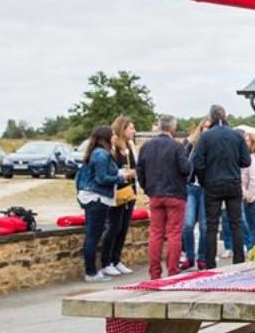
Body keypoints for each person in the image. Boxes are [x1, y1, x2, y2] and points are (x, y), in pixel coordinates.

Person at [193, 105, 251, 267]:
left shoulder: (205, 137)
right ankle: (239, 261)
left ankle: (210, 263)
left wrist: (204, 180)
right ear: (225, 116)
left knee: (212, 225)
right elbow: (246, 161)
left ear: (210, 118)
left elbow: (197, 162)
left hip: (212, 183)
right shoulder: (236, 136)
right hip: (232, 182)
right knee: (236, 223)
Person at [134, 114, 191, 280]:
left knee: (156, 233)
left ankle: (154, 272)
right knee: (174, 233)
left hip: (155, 194)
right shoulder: (177, 147)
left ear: (159, 126)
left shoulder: (146, 147)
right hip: (175, 193)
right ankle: (173, 270)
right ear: (172, 128)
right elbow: (185, 168)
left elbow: (140, 170)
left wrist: (147, 188)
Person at [75, 126, 130, 282]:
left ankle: (92, 270)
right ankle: (91, 272)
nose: (114, 137)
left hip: (92, 197)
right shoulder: (102, 154)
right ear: (106, 137)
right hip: (97, 198)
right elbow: (102, 178)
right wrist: (121, 178)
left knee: (93, 234)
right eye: (112, 135)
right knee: (93, 235)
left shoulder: (97, 153)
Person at [100, 116, 138, 277]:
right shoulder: (113, 148)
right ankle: (106, 261)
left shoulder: (130, 145)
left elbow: (135, 166)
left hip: (129, 190)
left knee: (123, 227)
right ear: (122, 130)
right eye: (131, 128)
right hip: (117, 191)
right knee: (114, 226)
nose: (133, 131)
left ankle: (117, 259)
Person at [179, 120, 209, 271]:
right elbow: (183, 163)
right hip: (191, 187)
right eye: (205, 127)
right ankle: (189, 256)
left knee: (204, 226)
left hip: (205, 188)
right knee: (188, 224)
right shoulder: (191, 144)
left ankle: (202, 257)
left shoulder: (213, 146)